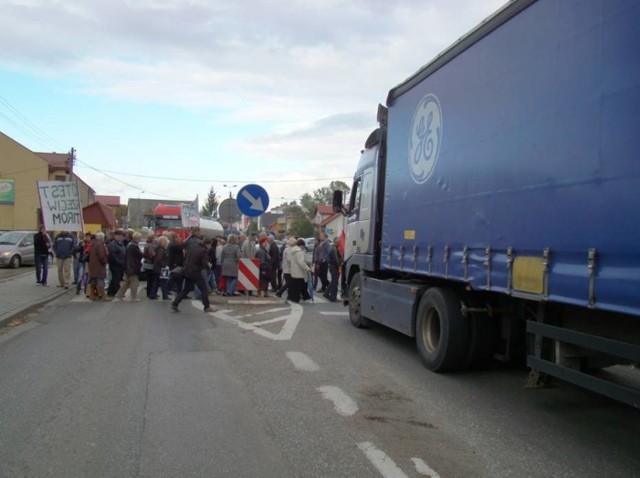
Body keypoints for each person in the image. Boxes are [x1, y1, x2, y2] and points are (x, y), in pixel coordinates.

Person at [171, 237, 215, 313]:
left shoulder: (192, 247)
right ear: (208, 244)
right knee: (204, 289)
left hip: (187, 270)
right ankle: (207, 307)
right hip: (196, 272)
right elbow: (204, 263)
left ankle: (175, 303)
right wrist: (209, 267)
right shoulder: (203, 250)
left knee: (186, 289)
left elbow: (186, 257)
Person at [115, 232, 144, 301]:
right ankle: (133, 297)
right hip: (133, 267)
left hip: (128, 267)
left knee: (126, 282)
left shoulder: (129, 245)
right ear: (137, 238)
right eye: (140, 238)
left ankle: (119, 295)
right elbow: (140, 255)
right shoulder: (134, 246)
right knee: (134, 283)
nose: (140, 240)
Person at [87, 232, 109, 301]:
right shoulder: (100, 244)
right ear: (102, 238)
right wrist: (105, 261)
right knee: (100, 281)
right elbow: (101, 255)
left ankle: (92, 295)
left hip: (92, 265)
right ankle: (103, 296)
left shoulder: (93, 243)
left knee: (93, 280)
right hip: (99, 266)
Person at [288, 238, 312, 304]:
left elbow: (290, 260)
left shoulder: (292, 251)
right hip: (299, 272)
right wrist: (307, 268)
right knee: (300, 287)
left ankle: (296, 298)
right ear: (301, 245)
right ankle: (298, 299)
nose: (303, 248)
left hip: (294, 272)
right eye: (303, 246)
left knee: (296, 287)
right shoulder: (299, 252)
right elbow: (301, 262)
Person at [149, 235, 170, 300]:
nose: (167, 243)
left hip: (157, 268)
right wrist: (164, 265)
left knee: (156, 282)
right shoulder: (161, 250)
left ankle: (152, 294)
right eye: (166, 241)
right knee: (163, 282)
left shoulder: (157, 248)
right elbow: (159, 259)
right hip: (161, 268)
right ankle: (165, 296)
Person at [107, 230, 126, 297]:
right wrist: (120, 262)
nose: (121, 237)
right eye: (119, 236)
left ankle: (111, 292)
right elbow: (113, 255)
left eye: (121, 236)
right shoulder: (113, 244)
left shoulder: (120, 243)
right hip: (115, 265)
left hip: (120, 264)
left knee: (116, 278)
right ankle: (117, 292)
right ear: (115, 236)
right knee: (116, 278)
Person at [323, 238, 342, 302]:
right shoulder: (334, 249)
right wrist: (339, 266)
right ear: (336, 242)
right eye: (339, 242)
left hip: (332, 266)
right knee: (335, 282)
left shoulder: (331, 247)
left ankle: (326, 293)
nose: (340, 243)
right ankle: (333, 297)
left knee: (333, 281)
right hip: (334, 267)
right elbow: (336, 260)